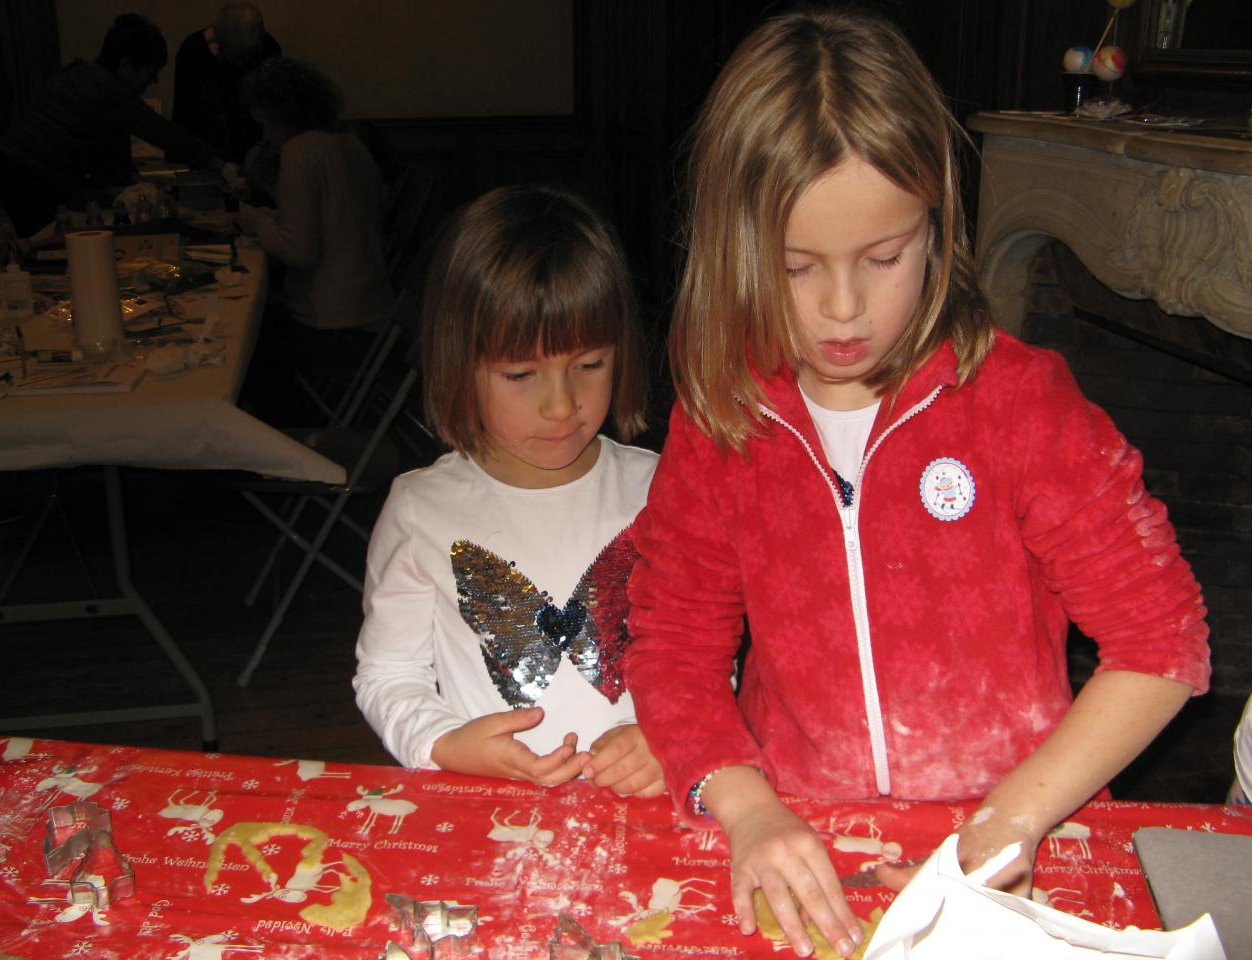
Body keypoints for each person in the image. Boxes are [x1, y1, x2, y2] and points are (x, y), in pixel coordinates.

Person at [623, 7, 1211, 959]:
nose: (843, 309)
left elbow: (1163, 642)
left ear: (936, 226)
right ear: (734, 251)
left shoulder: (1019, 405)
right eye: (795, 267)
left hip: (1020, 844)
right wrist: (745, 805)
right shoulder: (721, 418)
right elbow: (673, 643)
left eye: (884, 258)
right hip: (802, 834)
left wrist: (1009, 819)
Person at [354, 185, 664, 797]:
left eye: (591, 364)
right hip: (491, 812)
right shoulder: (421, 510)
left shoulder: (663, 488)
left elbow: (702, 657)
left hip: (643, 808)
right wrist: (443, 744)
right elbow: (389, 674)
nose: (561, 405)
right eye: (520, 374)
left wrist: (669, 736)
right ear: (457, 364)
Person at [237, 58, 393, 421]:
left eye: (262, 122)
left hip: (336, 327)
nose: (263, 135)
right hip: (376, 320)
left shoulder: (299, 152)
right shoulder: (352, 146)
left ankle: (293, 438)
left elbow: (300, 251)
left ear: (277, 113)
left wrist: (258, 221)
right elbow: (334, 223)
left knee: (244, 344)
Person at [0, 13, 217, 238]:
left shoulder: (79, 73)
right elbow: (164, 133)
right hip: (29, 176)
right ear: (126, 65)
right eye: (150, 71)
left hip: (9, 166)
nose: (154, 80)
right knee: (46, 244)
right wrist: (219, 165)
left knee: (43, 239)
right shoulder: (108, 90)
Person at [172, 2, 281, 163]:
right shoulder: (193, 51)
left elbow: (274, 108)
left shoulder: (268, 49)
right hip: (207, 155)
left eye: (248, 56)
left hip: (255, 152)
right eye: (234, 56)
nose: (241, 64)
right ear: (217, 40)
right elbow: (184, 112)